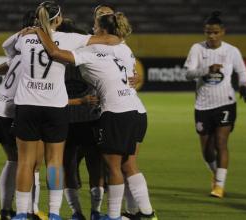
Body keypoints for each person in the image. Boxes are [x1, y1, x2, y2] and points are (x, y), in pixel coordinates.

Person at [34, 11, 156, 220]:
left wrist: (39, 31)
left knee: (102, 166)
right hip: (134, 109)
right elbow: (130, 74)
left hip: (104, 113)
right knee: (124, 165)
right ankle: (143, 213)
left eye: (96, 25)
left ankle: (104, 214)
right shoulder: (121, 47)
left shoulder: (87, 50)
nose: (92, 28)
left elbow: (55, 52)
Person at [11, 2, 119, 220]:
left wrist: (33, 31)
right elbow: (111, 40)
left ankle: (22, 214)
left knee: (25, 162)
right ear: (58, 20)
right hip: (54, 106)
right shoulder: (68, 39)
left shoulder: (23, 37)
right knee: (54, 162)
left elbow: (10, 52)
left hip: (26, 104)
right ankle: (53, 213)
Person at [184, 11, 246, 198]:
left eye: (215, 32)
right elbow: (188, 74)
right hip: (203, 105)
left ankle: (219, 186)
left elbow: (242, 71)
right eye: (207, 32)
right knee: (207, 151)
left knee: (221, 142)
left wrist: (244, 85)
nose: (211, 36)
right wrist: (206, 70)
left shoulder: (232, 51)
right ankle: (215, 174)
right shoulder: (197, 49)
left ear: (223, 32)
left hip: (225, 103)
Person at [0, 10, 48, 220]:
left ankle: (5, 211)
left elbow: (6, 52)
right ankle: (32, 210)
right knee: (32, 164)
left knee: (13, 160)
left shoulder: (20, 52)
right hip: (17, 110)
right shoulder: (40, 54)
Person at [55, 18, 105, 220]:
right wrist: (80, 101)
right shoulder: (54, 63)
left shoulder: (89, 59)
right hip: (69, 121)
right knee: (72, 167)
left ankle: (91, 212)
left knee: (89, 166)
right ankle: (80, 212)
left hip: (87, 120)